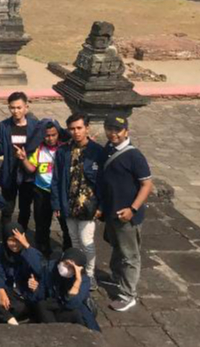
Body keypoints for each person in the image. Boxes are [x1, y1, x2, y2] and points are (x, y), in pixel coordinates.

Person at [97, 116, 153, 312]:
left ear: (126, 131)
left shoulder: (134, 156)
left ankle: (128, 294)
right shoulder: (108, 149)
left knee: (130, 255)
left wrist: (133, 209)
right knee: (117, 247)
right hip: (112, 212)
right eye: (109, 128)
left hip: (127, 214)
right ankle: (116, 277)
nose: (113, 133)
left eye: (117, 130)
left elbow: (147, 184)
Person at [52, 113, 103, 278]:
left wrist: (101, 207)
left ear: (87, 128)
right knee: (74, 241)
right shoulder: (63, 151)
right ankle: (77, 272)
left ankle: (89, 275)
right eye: (72, 129)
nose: (76, 132)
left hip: (88, 205)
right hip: (69, 203)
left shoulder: (97, 152)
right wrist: (57, 204)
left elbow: (104, 183)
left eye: (79, 128)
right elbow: (56, 179)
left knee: (87, 242)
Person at [0, 92, 41, 233]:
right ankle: (6, 236)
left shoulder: (35, 126)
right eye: (12, 108)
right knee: (7, 208)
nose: (16, 111)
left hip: (27, 174)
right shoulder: (3, 126)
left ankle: (21, 235)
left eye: (19, 107)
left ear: (26, 107)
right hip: (9, 173)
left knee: (25, 208)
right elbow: (1, 151)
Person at [19, 120, 69, 255]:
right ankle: (43, 250)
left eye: (54, 135)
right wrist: (23, 159)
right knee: (41, 223)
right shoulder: (39, 149)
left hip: (60, 192)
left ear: (58, 134)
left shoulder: (64, 148)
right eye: (47, 135)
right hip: (41, 191)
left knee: (65, 224)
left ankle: (68, 251)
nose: (50, 138)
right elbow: (31, 169)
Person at [0, 224, 44, 325]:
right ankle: (10, 319)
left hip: (26, 294)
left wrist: (26, 245)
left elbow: (40, 268)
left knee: (21, 306)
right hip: (12, 291)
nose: (14, 244)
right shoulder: (2, 251)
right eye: (11, 240)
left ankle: (4, 315)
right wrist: (1, 290)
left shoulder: (30, 251)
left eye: (17, 240)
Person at [33, 248, 100, 331]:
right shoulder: (50, 268)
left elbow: (72, 304)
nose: (67, 268)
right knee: (41, 305)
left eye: (71, 267)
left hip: (72, 310)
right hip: (55, 304)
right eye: (66, 263)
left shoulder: (84, 280)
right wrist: (35, 288)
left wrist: (77, 281)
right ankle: (54, 331)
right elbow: (40, 295)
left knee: (77, 314)